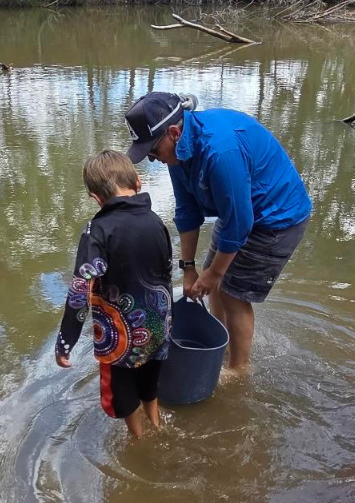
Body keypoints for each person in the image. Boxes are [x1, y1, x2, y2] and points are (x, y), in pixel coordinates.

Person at [124, 92, 311, 376]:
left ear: (173, 132)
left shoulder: (220, 151)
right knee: (215, 286)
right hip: (239, 210)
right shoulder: (177, 153)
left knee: (233, 293)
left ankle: (239, 369)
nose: (152, 159)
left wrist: (213, 273)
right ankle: (221, 343)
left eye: (152, 150)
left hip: (277, 217)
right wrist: (189, 269)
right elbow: (187, 212)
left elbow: (239, 225)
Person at [54, 150, 173, 438]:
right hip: (159, 327)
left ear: (95, 197)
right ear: (138, 182)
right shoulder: (157, 223)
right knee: (149, 380)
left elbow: (81, 289)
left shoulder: (97, 230)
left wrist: (65, 340)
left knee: (122, 393)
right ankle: (155, 423)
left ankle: (140, 440)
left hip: (121, 338)